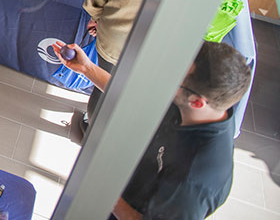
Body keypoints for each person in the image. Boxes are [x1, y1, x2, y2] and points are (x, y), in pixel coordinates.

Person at [53, 39, 251, 219]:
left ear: (197, 103)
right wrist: (87, 68)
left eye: (175, 79)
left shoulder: (193, 180)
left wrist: (107, 189)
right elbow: (135, 99)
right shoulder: (200, 104)